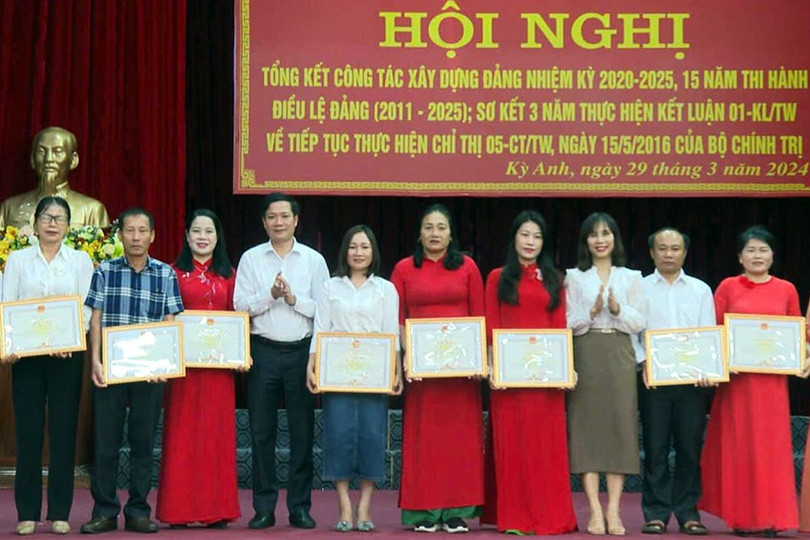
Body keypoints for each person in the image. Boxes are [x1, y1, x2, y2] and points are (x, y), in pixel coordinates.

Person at [80, 207, 184, 534]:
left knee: (143, 444)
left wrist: (165, 363)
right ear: (120, 234)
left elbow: (170, 321)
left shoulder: (165, 274)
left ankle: (139, 511)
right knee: (105, 444)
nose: (136, 237)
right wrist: (96, 361)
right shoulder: (104, 270)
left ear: (153, 236)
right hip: (111, 370)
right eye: (129, 230)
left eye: (142, 231)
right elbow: (95, 319)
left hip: (150, 372)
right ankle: (104, 511)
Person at [233, 193, 329, 530]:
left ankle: (300, 507)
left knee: (302, 433)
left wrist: (292, 299)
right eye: (272, 216)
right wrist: (270, 296)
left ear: (296, 220)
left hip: (301, 352)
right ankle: (264, 508)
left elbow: (324, 310)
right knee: (261, 433)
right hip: (263, 352)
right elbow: (240, 306)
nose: (279, 222)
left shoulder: (314, 260)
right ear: (263, 222)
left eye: (285, 216)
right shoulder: (251, 259)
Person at [1, 196, 94, 535]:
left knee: (63, 432)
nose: (53, 223)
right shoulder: (17, 260)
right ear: (35, 223)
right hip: (26, 358)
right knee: (28, 432)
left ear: (69, 226)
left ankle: (59, 512)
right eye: (47, 217)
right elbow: (7, 304)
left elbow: (86, 307)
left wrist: (71, 337)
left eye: (59, 218)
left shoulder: (80, 260)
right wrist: (9, 343)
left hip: (66, 357)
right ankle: (27, 513)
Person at [481, 210, 577, 535]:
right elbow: (491, 326)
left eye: (537, 236)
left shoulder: (555, 280)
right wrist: (492, 365)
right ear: (514, 239)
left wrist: (567, 368)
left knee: (546, 449)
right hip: (508, 379)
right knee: (512, 446)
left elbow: (560, 328)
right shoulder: (497, 278)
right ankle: (515, 518)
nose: (530, 242)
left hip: (546, 379)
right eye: (525, 234)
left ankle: (550, 515)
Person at [391, 203, 485, 534]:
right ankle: (425, 512)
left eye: (441, 227)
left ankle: (458, 511)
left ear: (451, 234)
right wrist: (406, 356)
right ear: (419, 234)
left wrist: (479, 359)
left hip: (461, 374)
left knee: (460, 441)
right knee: (425, 442)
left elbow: (479, 316)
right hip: (423, 372)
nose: (435, 233)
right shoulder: (404, 269)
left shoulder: (468, 267)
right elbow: (397, 319)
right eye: (429, 227)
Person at [699, 225, 800, 536]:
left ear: (773, 255)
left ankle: (772, 518)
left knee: (771, 450)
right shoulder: (728, 287)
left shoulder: (786, 289)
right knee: (740, 448)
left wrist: (800, 356)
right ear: (739, 257)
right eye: (751, 250)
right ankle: (742, 518)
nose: (757, 255)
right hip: (737, 384)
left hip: (772, 385)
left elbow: (798, 334)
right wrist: (718, 362)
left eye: (763, 250)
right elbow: (713, 331)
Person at [305, 225, 402, 532]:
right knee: (339, 435)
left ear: (374, 252)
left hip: (375, 375)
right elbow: (321, 328)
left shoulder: (386, 289)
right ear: (344, 251)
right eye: (353, 247)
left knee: (373, 435)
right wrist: (312, 364)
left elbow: (391, 334)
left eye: (365, 247)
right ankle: (344, 504)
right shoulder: (330, 287)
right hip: (337, 373)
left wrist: (397, 370)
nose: (358, 253)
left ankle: (365, 506)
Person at [155, 209, 241, 528]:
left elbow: (238, 319)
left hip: (219, 371)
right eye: (196, 231)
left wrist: (240, 353)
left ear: (218, 238)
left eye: (209, 231)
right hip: (183, 370)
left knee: (216, 437)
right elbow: (164, 318)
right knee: (182, 436)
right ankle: (178, 510)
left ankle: (216, 509)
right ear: (186, 236)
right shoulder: (171, 273)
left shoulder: (230, 275)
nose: (202, 237)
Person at [565, 212, 645, 536]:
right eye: (593, 234)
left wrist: (617, 310)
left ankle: (613, 510)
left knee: (618, 429)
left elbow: (639, 322)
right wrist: (592, 312)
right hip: (586, 351)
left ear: (615, 238)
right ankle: (594, 510)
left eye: (606, 233)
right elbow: (566, 322)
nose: (600, 240)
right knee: (586, 430)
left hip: (620, 352)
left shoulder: (631, 277)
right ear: (585, 240)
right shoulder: (574, 277)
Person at [634, 228, 715, 536]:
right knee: (654, 449)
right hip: (653, 380)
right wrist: (643, 361)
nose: (669, 254)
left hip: (692, 382)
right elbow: (632, 333)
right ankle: (655, 513)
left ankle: (688, 512)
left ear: (685, 252)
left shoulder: (700, 290)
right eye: (663, 248)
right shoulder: (639, 288)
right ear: (652, 252)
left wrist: (707, 367)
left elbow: (708, 333)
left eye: (675, 248)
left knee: (689, 448)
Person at [0, 126, 109, 230]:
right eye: (42, 151)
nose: (49, 159)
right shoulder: (9, 208)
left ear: (73, 160)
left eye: (57, 151)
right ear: (33, 159)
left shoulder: (91, 210)